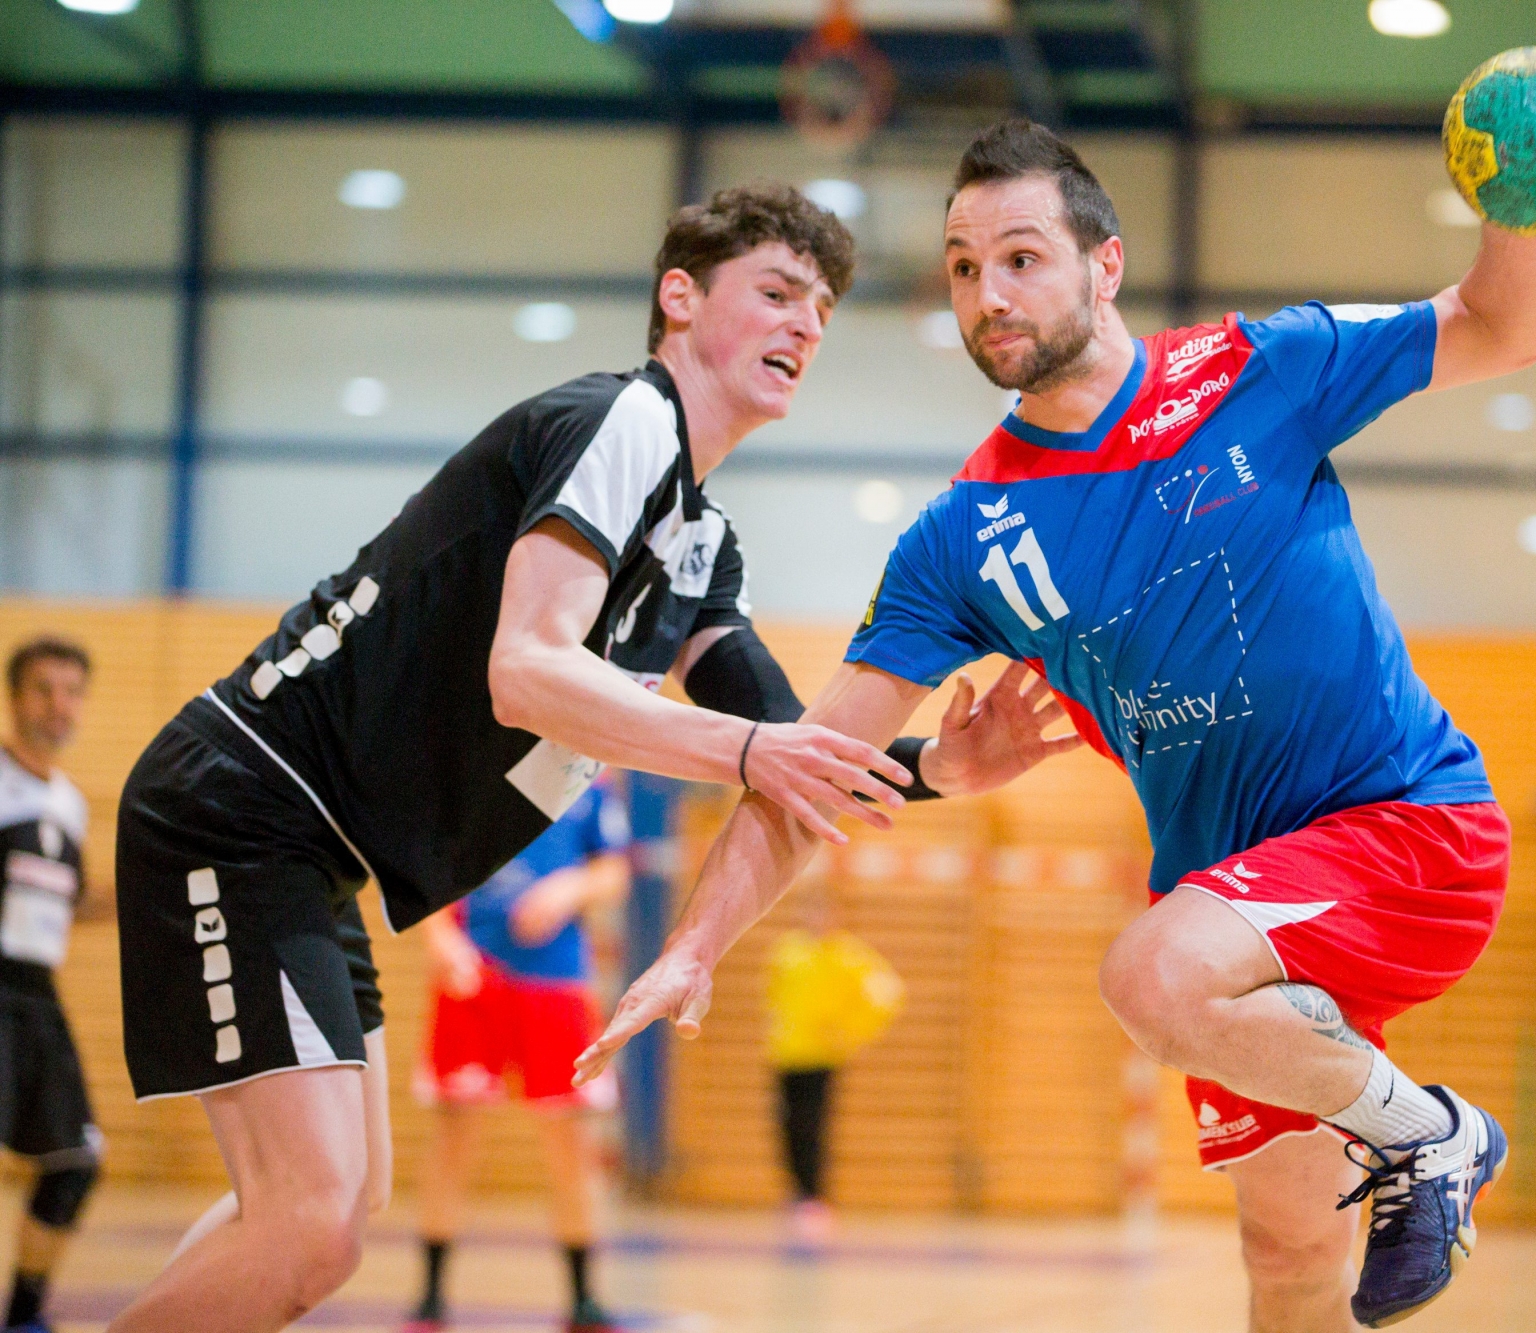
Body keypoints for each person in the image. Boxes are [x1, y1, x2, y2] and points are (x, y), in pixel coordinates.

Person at [579, 120, 1536, 1330]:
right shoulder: (960, 537)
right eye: (959, 268)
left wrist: (1524, 199)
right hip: (1240, 929)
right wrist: (695, 945)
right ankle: (1410, 1131)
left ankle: (1435, 1134)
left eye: (1019, 257)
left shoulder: (1258, 369)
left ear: (1104, 265)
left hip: (1403, 828)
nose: (986, 294)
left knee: (1146, 971)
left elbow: (1501, 325)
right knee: (1286, 1257)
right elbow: (813, 769)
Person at [109, 183, 1074, 1333]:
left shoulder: (702, 540)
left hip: (317, 857)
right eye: (775, 292)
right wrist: (755, 750)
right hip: (242, 805)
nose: (806, 324)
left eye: (819, 307)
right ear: (679, 298)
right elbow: (526, 668)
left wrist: (930, 769)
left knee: (331, 1212)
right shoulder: (624, 422)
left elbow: (788, 742)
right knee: (307, 1218)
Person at [407, 772, 633, 1333]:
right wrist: (439, 937)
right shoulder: (465, 774)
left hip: (555, 983)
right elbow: (422, 870)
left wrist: (568, 890)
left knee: (569, 1141)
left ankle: (583, 1297)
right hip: (472, 976)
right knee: (453, 1134)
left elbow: (615, 872)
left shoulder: (590, 784)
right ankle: (431, 1296)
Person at [0, 639, 102, 1333]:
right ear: (16, 696)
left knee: (76, 1158)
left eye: (72, 690)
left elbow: (68, 899)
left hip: (40, 996)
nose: (59, 704)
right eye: (45, 689)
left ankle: (24, 1316)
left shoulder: (68, 802)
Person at [765, 885, 903, 1241]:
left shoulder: (847, 955)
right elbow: (776, 997)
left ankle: (814, 1198)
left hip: (821, 1057)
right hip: (784, 1054)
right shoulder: (787, 950)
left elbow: (887, 992)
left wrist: (850, 1032)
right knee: (787, 1128)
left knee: (814, 1128)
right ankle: (796, 1194)